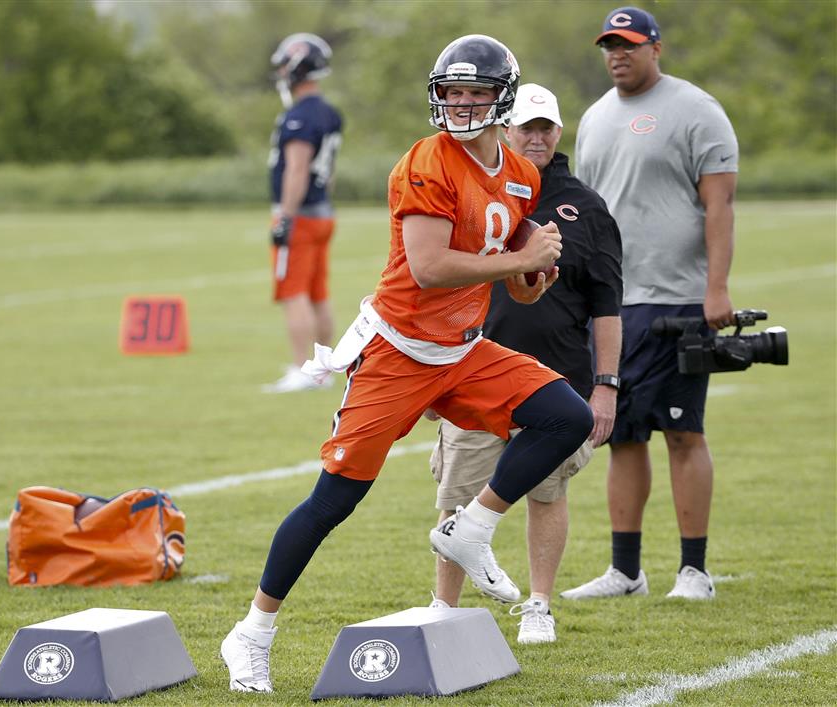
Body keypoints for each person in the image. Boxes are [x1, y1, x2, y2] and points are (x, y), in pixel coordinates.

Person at [220, 35, 594, 693]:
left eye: (475, 91)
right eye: (450, 91)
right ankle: (252, 631)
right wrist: (521, 261)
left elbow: (512, 272)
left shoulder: (520, 172)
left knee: (566, 415)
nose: (460, 103)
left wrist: (533, 271)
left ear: (500, 96)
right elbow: (432, 266)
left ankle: (470, 528)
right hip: (400, 349)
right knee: (334, 499)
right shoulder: (427, 161)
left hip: (462, 349)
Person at [427, 83, 623, 644]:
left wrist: (606, 385)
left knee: (547, 492)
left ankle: (538, 605)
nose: (536, 137)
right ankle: (444, 608)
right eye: (526, 127)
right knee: (457, 496)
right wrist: (431, 372)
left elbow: (608, 303)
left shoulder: (585, 205)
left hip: (558, 379)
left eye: (546, 128)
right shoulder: (471, 187)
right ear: (504, 128)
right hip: (471, 373)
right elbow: (436, 277)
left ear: (559, 132)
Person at [563, 6, 738, 602]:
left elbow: (720, 206)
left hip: (678, 301)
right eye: (610, 46)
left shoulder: (695, 109)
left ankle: (694, 570)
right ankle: (626, 572)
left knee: (683, 433)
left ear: (655, 48)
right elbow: (587, 212)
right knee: (623, 435)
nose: (618, 54)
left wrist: (716, 287)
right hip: (614, 304)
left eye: (630, 45)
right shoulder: (593, 118)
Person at [262, 33, 344, 393]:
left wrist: (285, 215)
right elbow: (328, 171)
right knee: (317, 293)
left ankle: (303, 369)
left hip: (302, 214)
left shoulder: (301, 115)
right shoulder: (329, 112)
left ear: (297, 66)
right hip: (323, 212)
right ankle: (322, 368)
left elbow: (297, 168)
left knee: (293, 292)